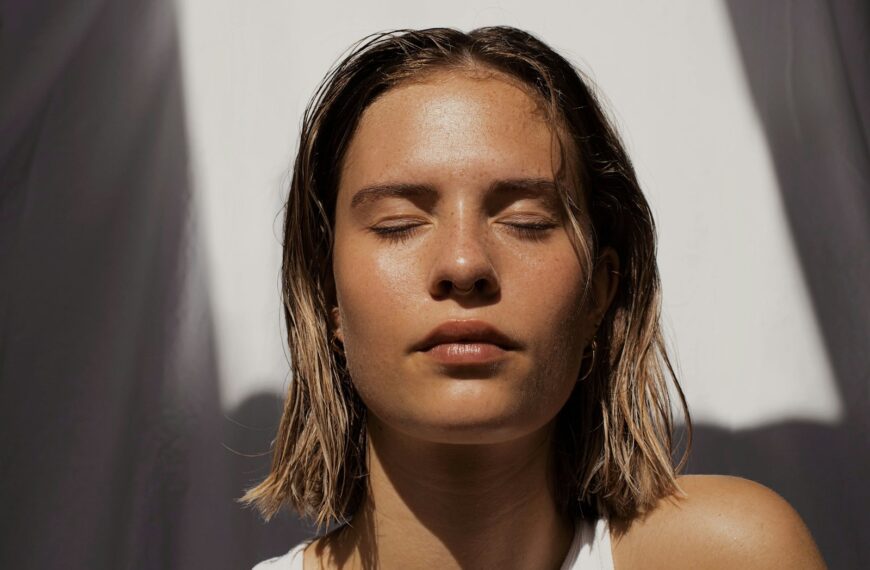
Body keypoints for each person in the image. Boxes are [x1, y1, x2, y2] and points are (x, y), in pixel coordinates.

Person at [245, 26, 826, 569]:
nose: (464, 265)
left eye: (526, 220)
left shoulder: (729, 555)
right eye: (399, 223)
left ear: (601, 289)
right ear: (327, 296)